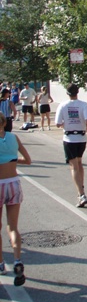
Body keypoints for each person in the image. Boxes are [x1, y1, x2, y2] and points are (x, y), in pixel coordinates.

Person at [0, 111, 32, 286]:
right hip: (13, 183)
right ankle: (17, 259)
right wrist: (12, 160)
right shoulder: (13, 138)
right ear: (4, 123)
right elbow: (28, 160)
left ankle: (1, 264)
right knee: (13, 227)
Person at [55, 83, 87, 208]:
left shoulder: (63, 105)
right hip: (81, 138)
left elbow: (57, 123)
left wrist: (66, 123)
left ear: (67, 93)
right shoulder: (84, 105)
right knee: (79, 162)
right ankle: (81, 188)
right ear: (78, 92)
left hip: (69, 138)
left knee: (73, 166)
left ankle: (81, 194)